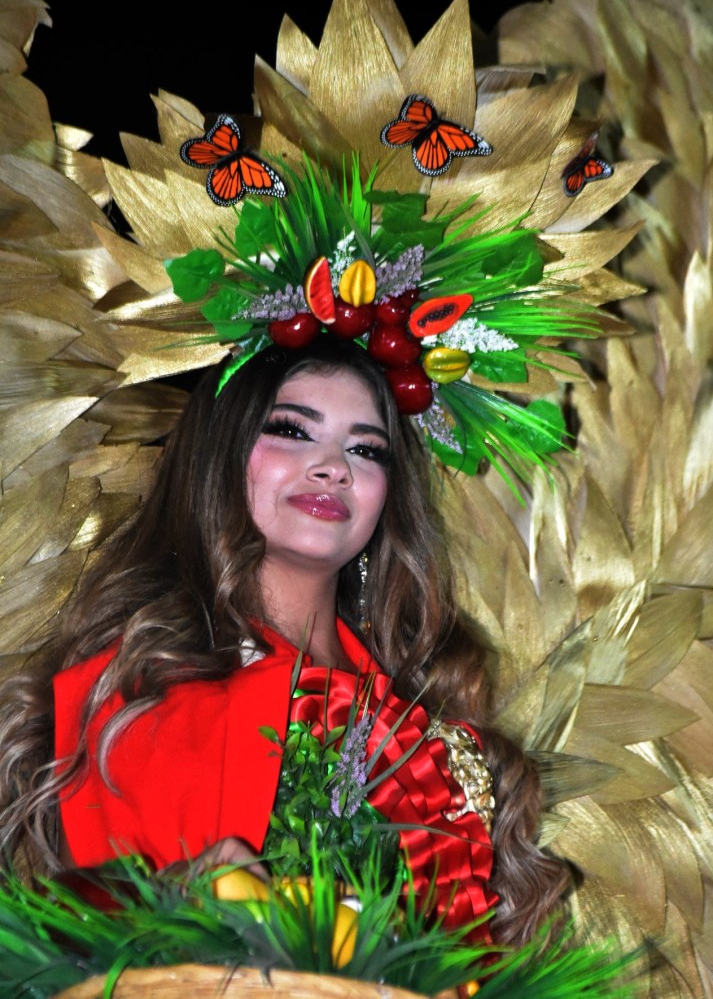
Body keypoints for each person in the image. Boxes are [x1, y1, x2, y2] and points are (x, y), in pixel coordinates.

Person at [0, 335, 568, 947]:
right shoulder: (140, 691)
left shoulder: (432, 720)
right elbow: (105, 948)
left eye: (366, 449)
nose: (334, 467)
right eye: (293, 431)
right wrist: (187, 896)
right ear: (219, 455)